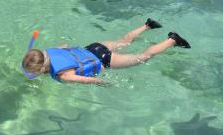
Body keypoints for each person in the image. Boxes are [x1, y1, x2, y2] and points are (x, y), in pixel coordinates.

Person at [21, 18, 191, 84]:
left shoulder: (62, 75)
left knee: (144, 56)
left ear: (41, 68)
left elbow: (86, 80)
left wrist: (104, 83)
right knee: (124, 42)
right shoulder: (50, 51)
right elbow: (65, 46)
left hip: (105, 60)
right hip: (94, 47)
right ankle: (147, 25)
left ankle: (173, 40)